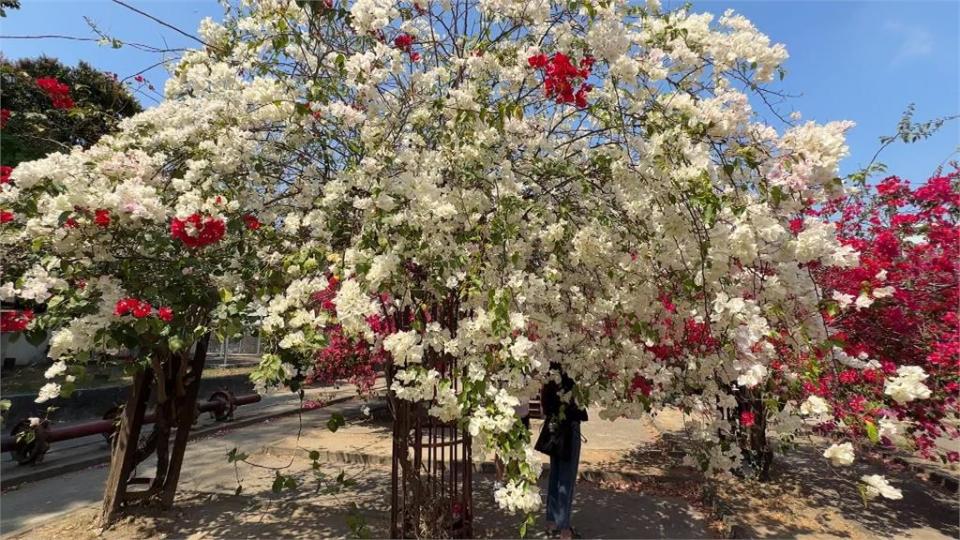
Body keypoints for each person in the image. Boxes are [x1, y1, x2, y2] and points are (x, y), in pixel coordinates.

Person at [536, 362, 587, 539]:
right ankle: (564, 529)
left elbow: (544, 399)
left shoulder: (551, 366)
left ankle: (551, 523)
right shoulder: (573, 366)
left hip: (553, 424)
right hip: (569, 426)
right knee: (566, 477)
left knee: (556, 475)